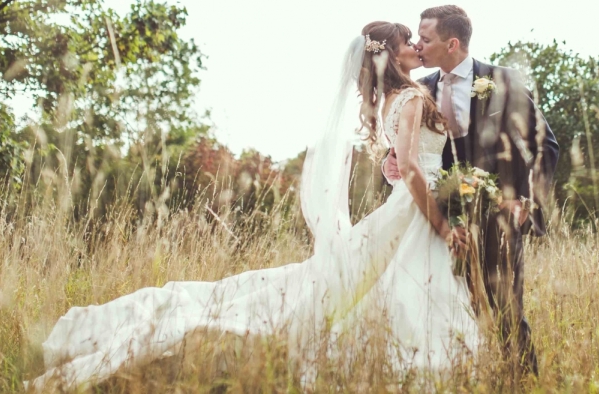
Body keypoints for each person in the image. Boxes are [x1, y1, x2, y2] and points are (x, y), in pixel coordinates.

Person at [28, 22, 479, 389]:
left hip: (407, 208)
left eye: (420, 40)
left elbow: (403, 164)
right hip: (417, 210)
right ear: (390, 55)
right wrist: (442, 224)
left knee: (386, 289)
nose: (417, 48)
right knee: (405, 290)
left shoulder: (390, 103)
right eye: (409, 42)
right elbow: (415, 170)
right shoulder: (414, 97)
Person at [383, 5, 559, 375]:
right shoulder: (420, 89)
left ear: (452, 43)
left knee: (507, 305)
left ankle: (522, 382)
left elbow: (546, 146)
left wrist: (527, 200)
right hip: (441, 219)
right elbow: (409, 150)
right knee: (451, 305)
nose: (417, 44)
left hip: (499, 215)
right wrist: (390, 161)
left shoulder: (503, 80)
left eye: (425, 38)